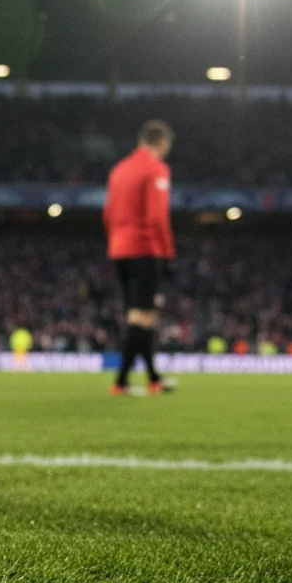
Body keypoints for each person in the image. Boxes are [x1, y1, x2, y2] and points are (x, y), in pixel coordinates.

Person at [104, 120, 179, 396]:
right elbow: (157, 217)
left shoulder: (118, 170)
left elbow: (108, 214)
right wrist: (169, 254)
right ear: (161, 142)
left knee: (140, 316)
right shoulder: (156, 169)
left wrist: (116, 241)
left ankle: (153, 379)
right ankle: (121, 382)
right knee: (143, 317)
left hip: (119, 249)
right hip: (145, 249)